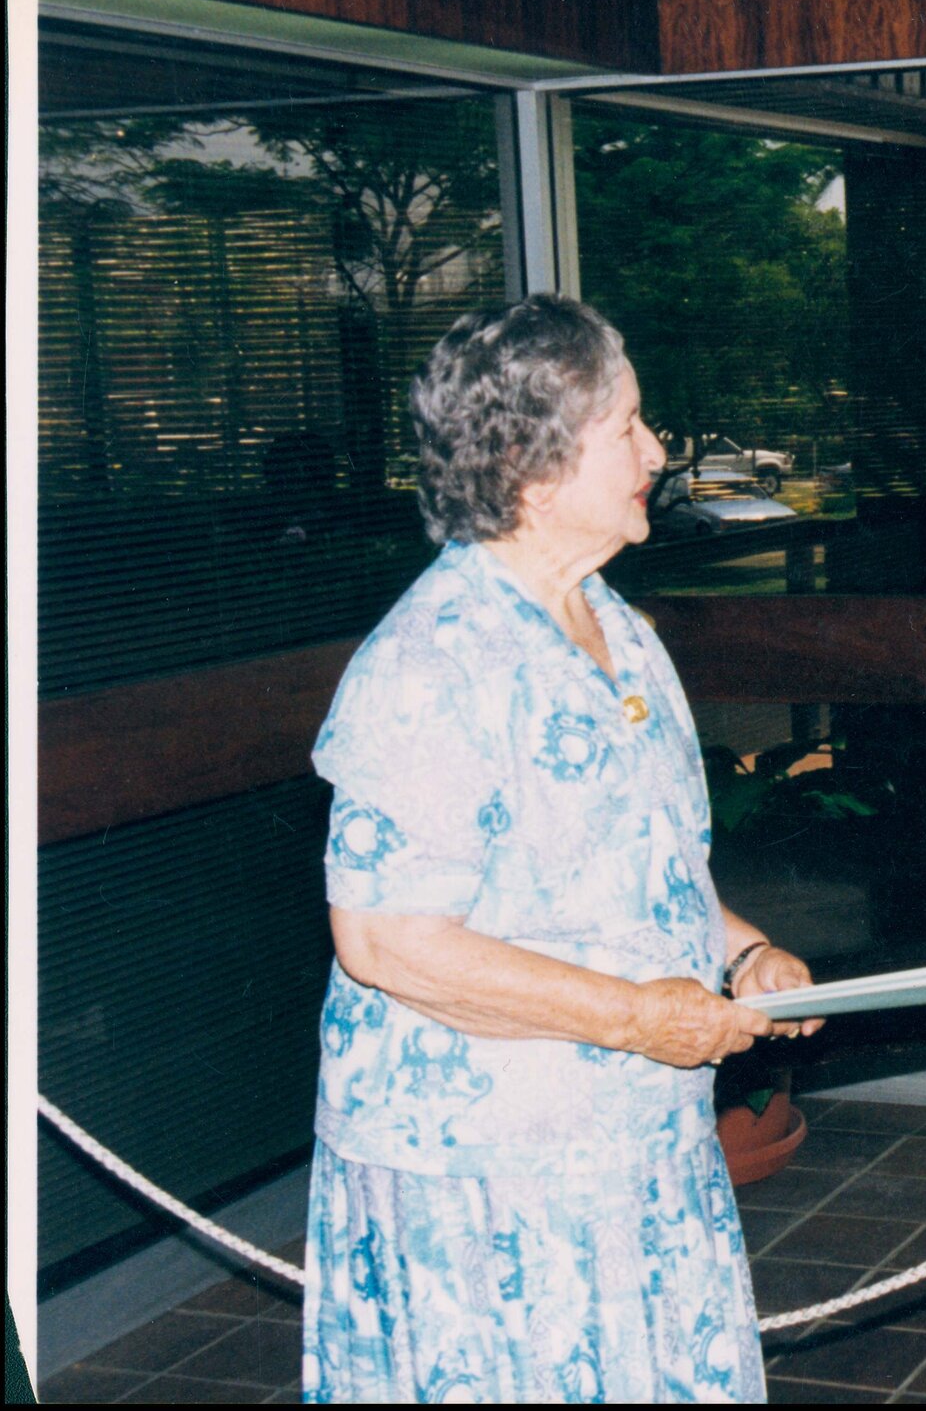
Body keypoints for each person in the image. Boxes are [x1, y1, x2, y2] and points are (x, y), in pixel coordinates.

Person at [302, 295, 819, 1403]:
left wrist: (742, 951)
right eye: (625, 426)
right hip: (491, 1177)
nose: (656, 451)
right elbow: (386, 942)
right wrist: (637, 1016)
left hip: (634, 1138)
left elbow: (640, 864)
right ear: (532, 474)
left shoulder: (612, 624)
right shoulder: (430, 664)